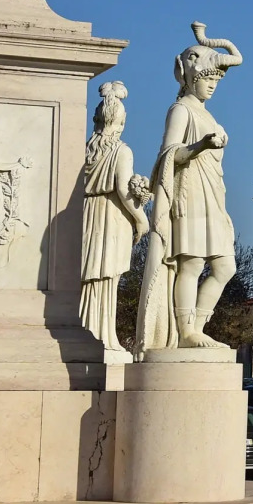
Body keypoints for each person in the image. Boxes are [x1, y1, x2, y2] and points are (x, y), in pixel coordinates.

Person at [134, 23, 243, 353]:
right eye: (207, 80)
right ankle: (185, 332)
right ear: (191, 77)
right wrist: (201, 145)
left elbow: (237, 57)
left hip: (213, 194)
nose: (212, 86)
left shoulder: (207, 114)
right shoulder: (180, 109)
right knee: (192, 264)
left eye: (215, 82)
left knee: (226, 267)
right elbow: (170, 153)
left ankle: (196, 326)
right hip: (189, 192)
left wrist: (211, 41)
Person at [80, 82, 148, 351]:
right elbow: (122, 189)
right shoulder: (121, 150)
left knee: (89, 277)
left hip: (86, 213)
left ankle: (87, 330)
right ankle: (103, 338)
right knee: (106, 278)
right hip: (111, 217)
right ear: (121, 122)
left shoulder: (85, 149)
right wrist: (142, 218)